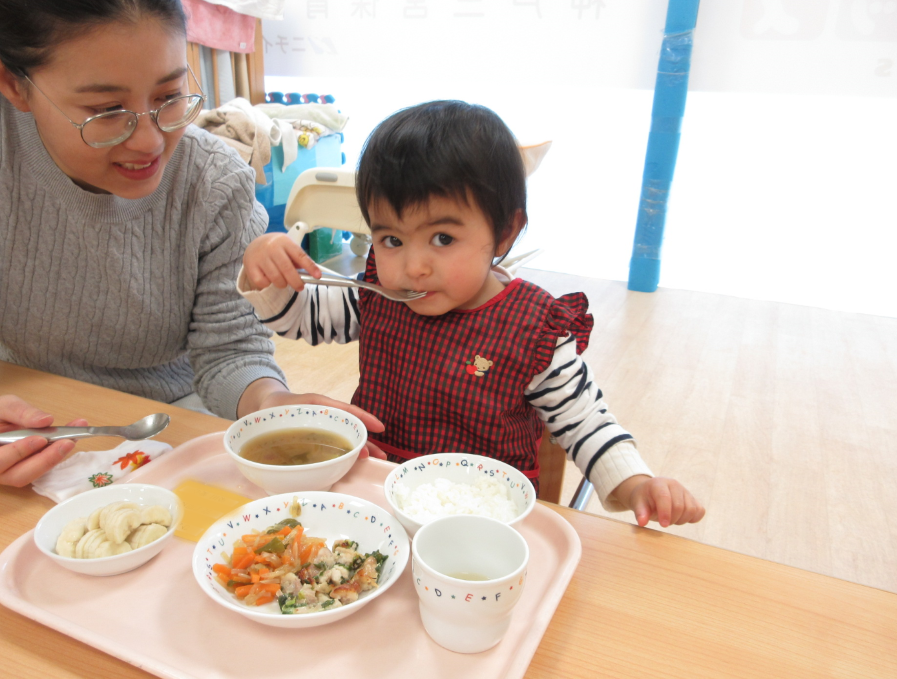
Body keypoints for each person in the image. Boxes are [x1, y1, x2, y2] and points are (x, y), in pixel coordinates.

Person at [0, 0, 380, 488]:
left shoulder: (214, 181)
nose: (149, 141)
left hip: (168, 416)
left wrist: (269, 402)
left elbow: (230, 353)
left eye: (170, 96)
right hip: (16, 397)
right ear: (12, 83)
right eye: (106, 110)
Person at [240, 101, 705, 527]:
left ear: (505, 233)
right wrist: (268, 277)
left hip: (483, 519)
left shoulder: (533, 328)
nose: (412, 268)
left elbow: (585, 422)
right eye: (391, 240)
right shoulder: (381, 293)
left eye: (442, 238)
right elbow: (303, 320)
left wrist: (638, 485)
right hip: (377, 496)